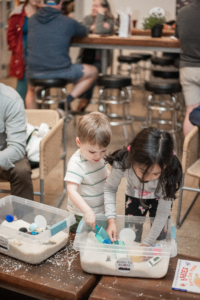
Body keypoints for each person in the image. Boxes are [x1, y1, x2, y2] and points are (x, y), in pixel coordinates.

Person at [104, 127, 182, 247]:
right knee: (132, 236)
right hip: (134, 196)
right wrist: (111, 220)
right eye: (142, 171)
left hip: (159, 200)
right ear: (132, 159)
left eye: (156, 173)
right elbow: (109, 188)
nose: (147, 178)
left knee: (160, 238)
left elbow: (162, 214)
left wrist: (148, 242)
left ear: (166, 166)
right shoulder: (123, 163)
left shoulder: (169, 172)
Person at [25, 0, 98, 111]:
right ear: (60, 4)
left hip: (34, 72)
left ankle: (33, 123)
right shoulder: (68, 22)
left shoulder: (32, 20)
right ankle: (65, 103)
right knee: (93, 71)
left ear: (43, 3)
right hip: (61, 71)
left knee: (31, 89)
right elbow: (84, 31)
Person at [65, 112, 112, 232]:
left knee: (97, 241)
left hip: (99, 211)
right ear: (79, 142)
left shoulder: (100, 156)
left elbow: (102, 167)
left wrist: (107, 173)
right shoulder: (76, 164)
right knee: (76, 244)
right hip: (79, 215)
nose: (98, 156)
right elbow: (72, 191)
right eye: (92, 152)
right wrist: (87, 211)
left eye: (103, 151)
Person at [76, 0, 114, 112]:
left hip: (100, 60)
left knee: (93, 72)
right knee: (78, 70)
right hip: (84, 57)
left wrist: (100, 17)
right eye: (93, 6)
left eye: (96, 6)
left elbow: (99, 30)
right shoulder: (87, 18)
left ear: (104, 8)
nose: (93, 8)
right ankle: (80, 96)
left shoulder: (110, 21)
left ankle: (85, 98)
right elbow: (80, 30)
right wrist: (92, 28)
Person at [0, 83, 34, 200]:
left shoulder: (11, 100)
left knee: (21, 171)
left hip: (5, 152)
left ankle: (24, 217)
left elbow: (17, 148)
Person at [7, 0, 40, 104]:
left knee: (35, 86)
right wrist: (16, 48)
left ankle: (36, 112)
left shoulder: (42, 12)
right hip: (22, 53)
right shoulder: (17, 14)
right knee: (23, 84)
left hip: (39, 54)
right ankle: (17, 112)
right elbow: (10, 35)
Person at [175, 0, 200, 136]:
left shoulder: (183, 12)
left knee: (191, 111)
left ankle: (189, 155)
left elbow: (179, 40)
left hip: (188, 68)